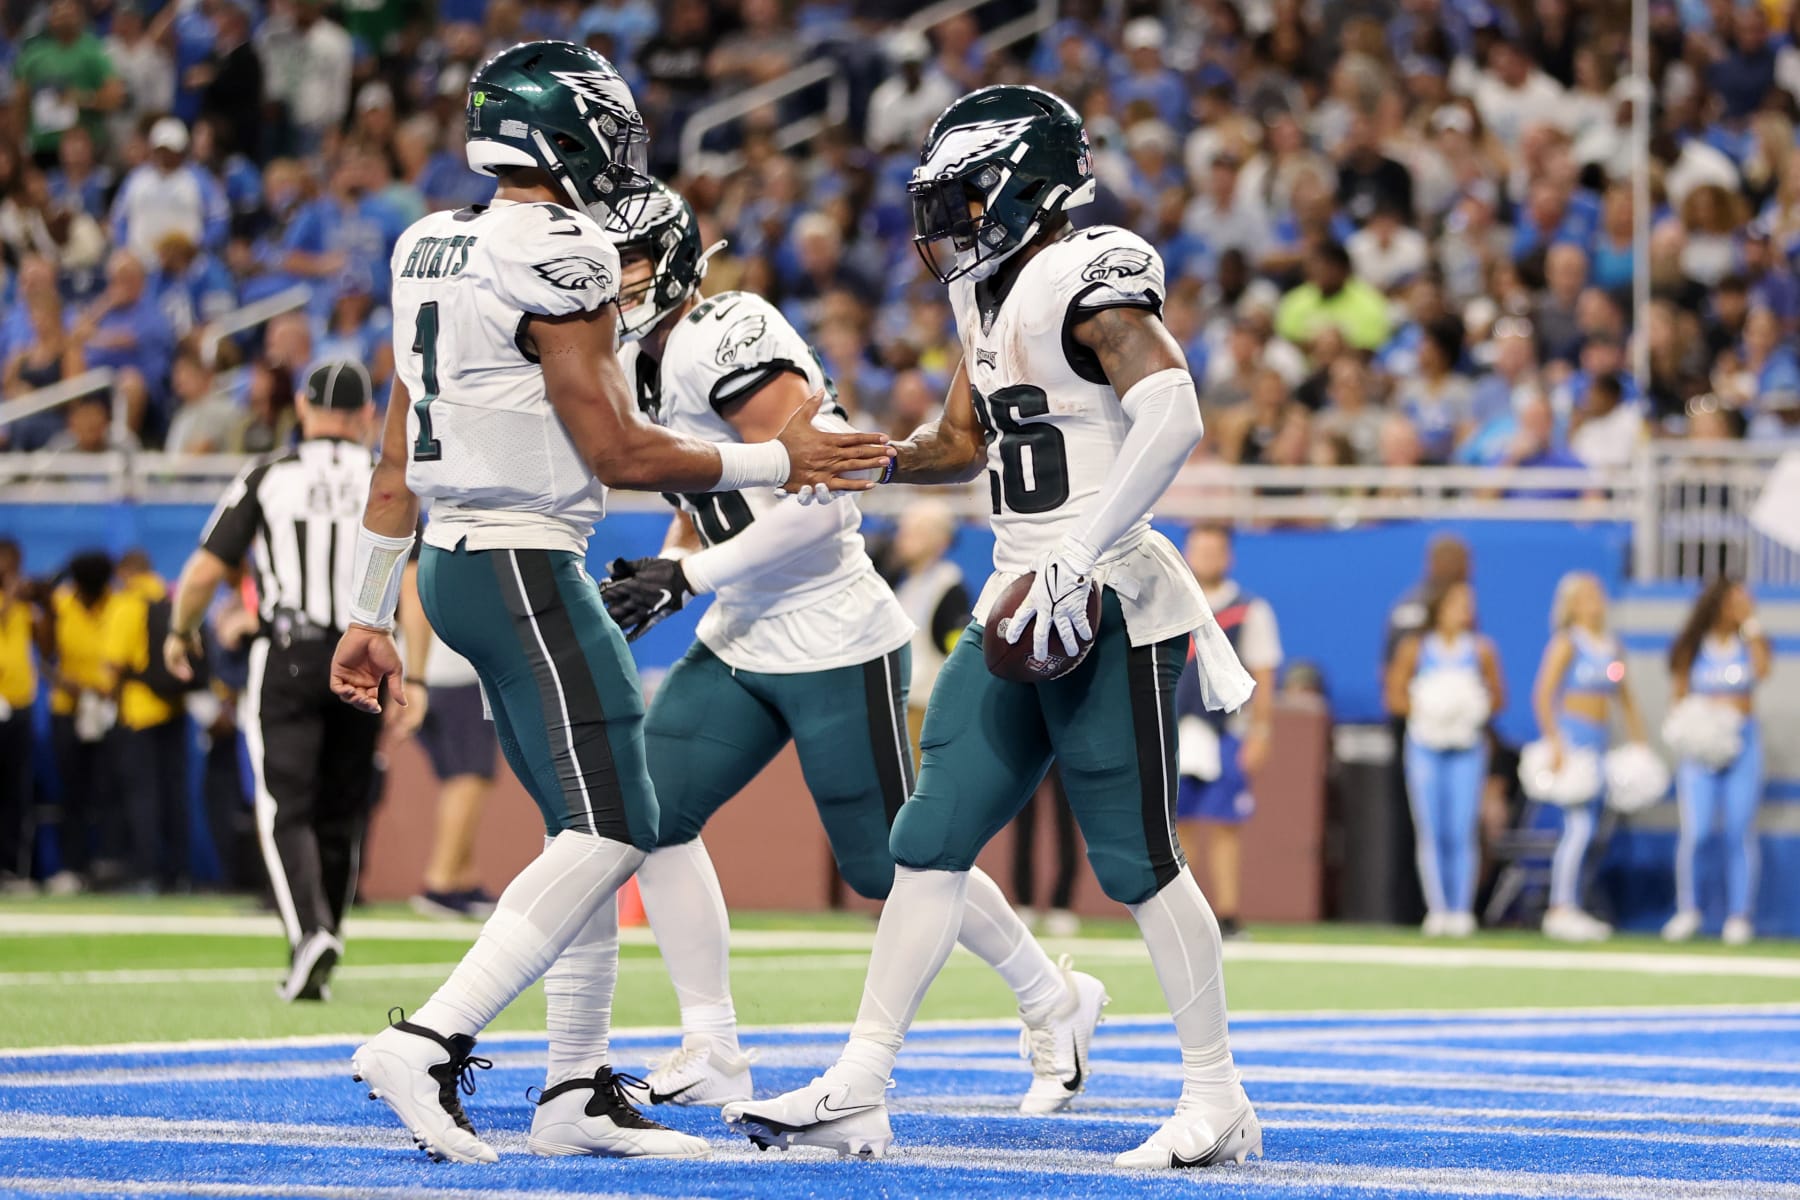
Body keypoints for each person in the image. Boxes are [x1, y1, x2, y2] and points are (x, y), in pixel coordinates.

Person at [323, 42, 889, 1166]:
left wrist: (367, 609)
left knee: (581, 831)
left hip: (456, 560)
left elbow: (396, 450)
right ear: (568, 135)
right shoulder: (566, 250)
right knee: (621, 822)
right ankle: (431, 1039)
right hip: (527, 566)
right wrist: (784, 463)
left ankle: (572, 1090)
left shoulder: (427, 243)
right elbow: (619, 450)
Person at [724, 85, 1261, 1171]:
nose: (950, 222)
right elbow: (966, 439)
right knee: (926, 839)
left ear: (1025, 185)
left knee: (1139, 860)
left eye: (968, 196)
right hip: (1021, 593)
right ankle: (862, 1083)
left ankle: (1218, 1099)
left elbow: (1175, 409)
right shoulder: (985, 295)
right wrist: (869, 455)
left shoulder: (1086, 271)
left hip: (1104, 595)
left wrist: (1083, 548)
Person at [598, 182, 1103, 1116]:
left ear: (668, 260)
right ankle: (710, 1044)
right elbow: (702, 501)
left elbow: (829, 489)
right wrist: (674, 572)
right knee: (647, 814)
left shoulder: (726, 334)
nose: (608, 281)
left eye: (623, 261)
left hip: (831, 630)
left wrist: (693, 578)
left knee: (890, 866)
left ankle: (1054, 997)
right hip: (742, 629)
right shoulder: (629, 362)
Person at [165, 361, 386, 1001]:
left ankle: (309, 932)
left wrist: (181, 632)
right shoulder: (385, 479)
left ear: (302, 406)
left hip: (290, 653)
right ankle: (327, 935)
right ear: (366, 415)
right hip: (364, 654)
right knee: (342, 809)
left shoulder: (270, 475)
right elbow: (421, 584)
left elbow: (206, 570)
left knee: (285, 805)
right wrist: (417, 675)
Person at [1174, 525, 1281, 941]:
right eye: (1199, 549)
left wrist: (1261, 732)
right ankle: (1183, 915)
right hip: (1177, 727)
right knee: (1176, 824)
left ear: (1229, 556)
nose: (1206, 558)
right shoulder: (1170, 605)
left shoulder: (1249, 609)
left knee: (1223, 824)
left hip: (1225, 730)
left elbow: (1265, 673)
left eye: (1215, 550)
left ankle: (1228, 914)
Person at [1529, 572, 1647, 942]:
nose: (1597, 601)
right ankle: (1560, 907)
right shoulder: (1567, 644)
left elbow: (1623, 696)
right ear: (1573, 604)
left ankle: (1573, 903)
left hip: (1599, 743)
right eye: (1588, 595)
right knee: (1578, 827)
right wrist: (1556, 744)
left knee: (1594, 830)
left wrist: (1639, 743)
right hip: (1574, 739)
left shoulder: (1612, 646)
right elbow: (1543, 694)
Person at [1385, 579, 1505, 937]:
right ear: (1438, 608)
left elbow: (1497, 698)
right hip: (1426, 748)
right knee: (1431, 829)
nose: (1463, 611)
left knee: (1462, 827)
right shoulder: (1415, 648)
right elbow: (1394, 697)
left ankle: (1461, 909)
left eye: (1468, 604)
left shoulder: (1482, 650)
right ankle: (1438, 909)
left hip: (1467, 748)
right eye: (1456, 604)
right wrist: (1429, 712)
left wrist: (1468, 710)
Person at [1663, 578, 1771, 946]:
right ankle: (1689, 909)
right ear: (1718, 603)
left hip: (1743, 747)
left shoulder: (1749, 642)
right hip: (1699, 751)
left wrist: (1752, 623)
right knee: (1698, 831)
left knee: (1740, 831)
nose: (1743, 604)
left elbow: (1762, 670)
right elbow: (1677, 699)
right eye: (1736, 600)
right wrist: (1697, 728)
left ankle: (1739, 915)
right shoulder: (1693, 647)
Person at [397, 577, 498, 920]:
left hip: (427, 669)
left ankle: (461, 877)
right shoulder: (458, 542)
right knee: (468, 776)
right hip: (450, 672)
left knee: (464, 775)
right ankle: (440, 882)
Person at [109, 549, 192, 892]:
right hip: (174, 708)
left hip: (140, 711)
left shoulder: (128, 604)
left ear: (126, 571)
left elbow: (114, 664)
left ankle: (147, 872)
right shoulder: (171, 598)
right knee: (174, 794)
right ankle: (179, 873)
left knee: (142, 795)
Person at [44, 550, 123, 893]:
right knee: (72, 791)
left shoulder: (117, 604)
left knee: (108, 791)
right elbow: (45, 656)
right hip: (70, 708)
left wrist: (109, 692)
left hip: (107, 709)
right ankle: (73, 866)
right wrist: (64, 683)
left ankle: (107, 865)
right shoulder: (60, 603)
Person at [0, 539, 41, 889]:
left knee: (16, 791)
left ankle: (13, 868)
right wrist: (11, 596)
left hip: (20, 705)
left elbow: (46, 644)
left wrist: (44, 605)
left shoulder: (25, 607)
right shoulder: (9, 601)